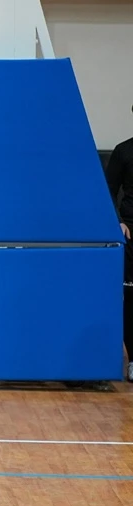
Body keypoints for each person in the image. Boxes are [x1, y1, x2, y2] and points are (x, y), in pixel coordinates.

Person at [104, 122, 133, 382]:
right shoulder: (123, 151)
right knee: (131, 298)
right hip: (130, 233)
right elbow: (108, 191)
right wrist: (118, 222)